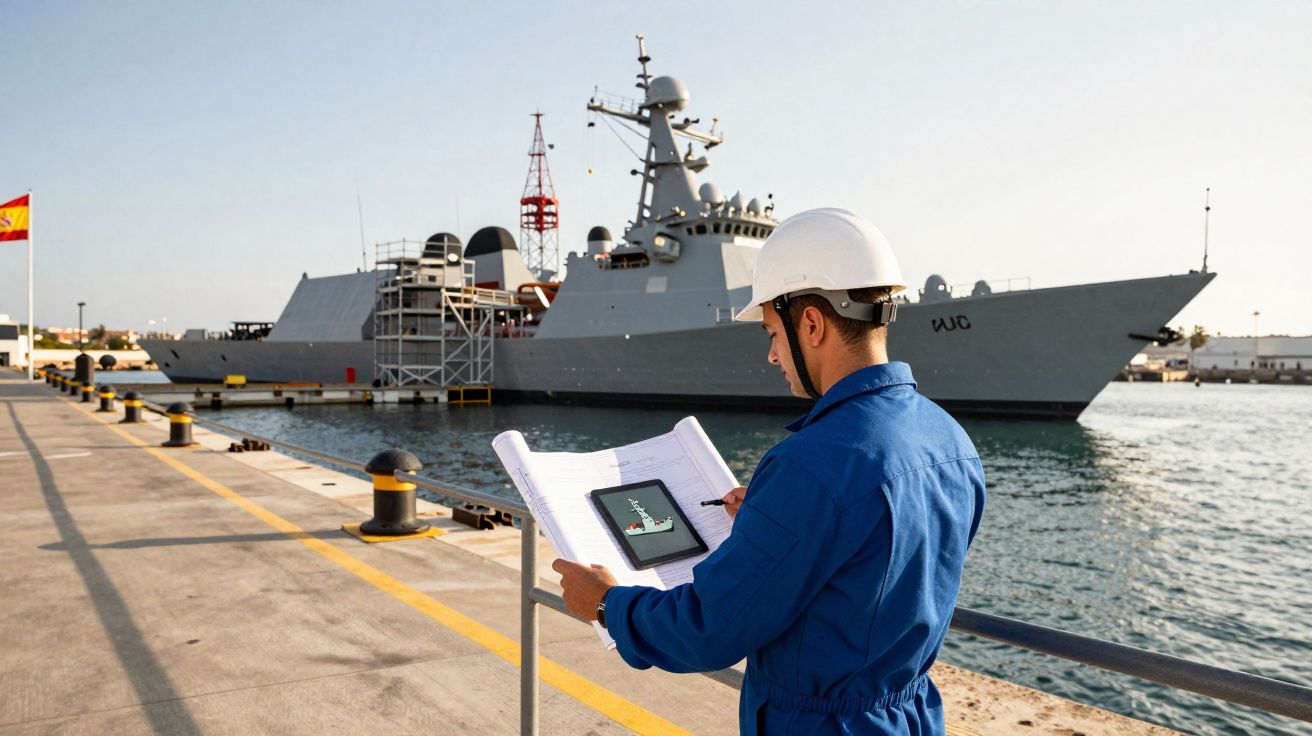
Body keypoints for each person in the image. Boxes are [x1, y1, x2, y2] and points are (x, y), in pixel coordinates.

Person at [553, 208, 986, 735]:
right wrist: (771, 521)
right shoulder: (951, 440)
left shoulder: (811, 463)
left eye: (773, 332)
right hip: (910, 716)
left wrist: (605, 605)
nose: (772, 355)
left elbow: (709, 630)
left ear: (811, 324)